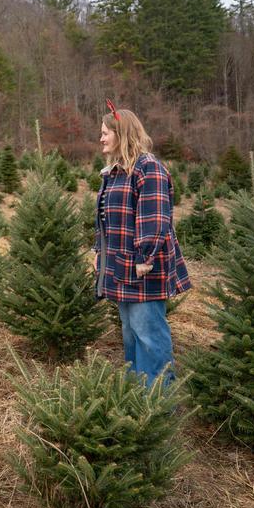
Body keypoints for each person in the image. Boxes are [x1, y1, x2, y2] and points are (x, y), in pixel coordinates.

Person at [95, 102, 191, 386]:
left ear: (121, 133)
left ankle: (159, 399)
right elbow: (107, 218)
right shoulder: (115, 172)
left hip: (143, 268)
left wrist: (144, 258)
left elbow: (155, 218)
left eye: (105, 133)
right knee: (130, 332)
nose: (101, 138)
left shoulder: (148, 168)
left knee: (149, 335)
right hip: (121, 266)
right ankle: (137, 394)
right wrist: (100, 253)